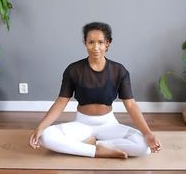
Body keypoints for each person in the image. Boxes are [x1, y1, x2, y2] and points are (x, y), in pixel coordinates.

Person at [29, 22, 161, 159]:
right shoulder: (74, 70)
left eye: (100, 42)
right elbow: (61, 101)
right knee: (45, 136)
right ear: (85, 43)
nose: (96, 47)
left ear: (107, 43)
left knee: (142, 145)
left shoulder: (119, 71)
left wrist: (147, 133)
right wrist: (41, 126)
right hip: (81, 124)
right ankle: (96, 151)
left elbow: (131, 105)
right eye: (91, 42)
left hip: (108, 124)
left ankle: (95, 145)